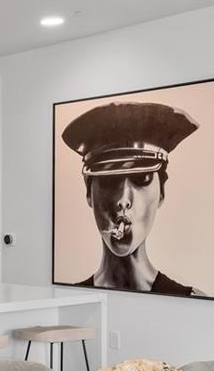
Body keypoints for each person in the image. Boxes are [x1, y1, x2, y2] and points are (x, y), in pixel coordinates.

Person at [60, 99, 206, 296]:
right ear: (89, 192)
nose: (122, 200)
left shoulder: (191, 300)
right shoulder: (69, 298)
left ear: (162, 191)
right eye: (109, 180)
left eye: (141, 179)